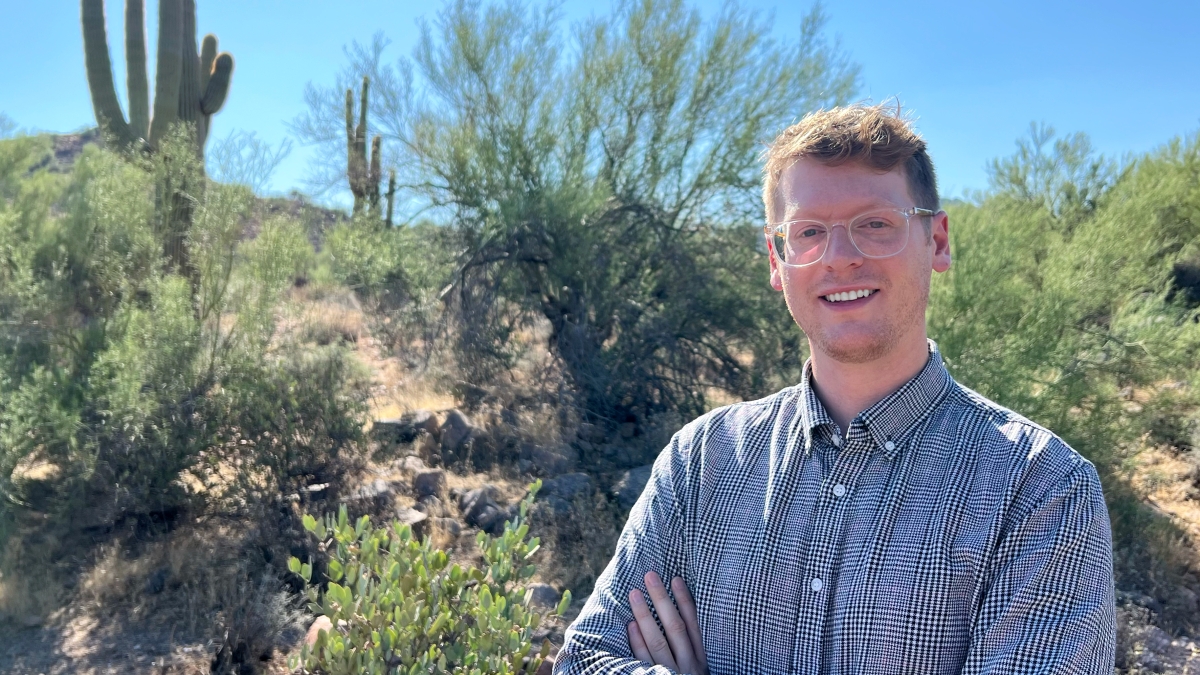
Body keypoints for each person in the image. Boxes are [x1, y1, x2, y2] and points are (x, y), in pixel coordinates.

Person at [552, 103, 1116, 675]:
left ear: (937, 241)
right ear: (777, 260)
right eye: (809, 233)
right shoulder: (704, 458)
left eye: (875, 224)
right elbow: (587, 660)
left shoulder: (1041, 487)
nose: (840, 258)